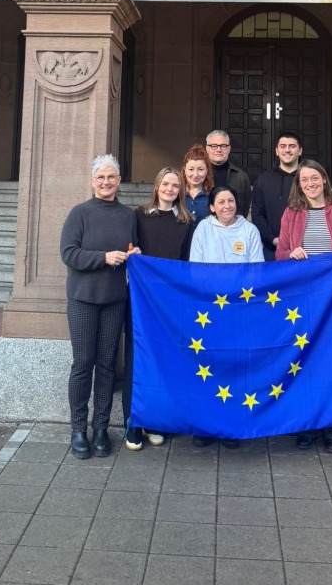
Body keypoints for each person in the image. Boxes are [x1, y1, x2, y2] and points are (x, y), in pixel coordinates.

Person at [276, 160, 332, 454]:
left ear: (324, 180)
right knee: (304, 361)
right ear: (299, 185)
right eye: (304, 180)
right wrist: (291, 253)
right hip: (302, 300)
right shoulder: (291, 213)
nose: (310, 183)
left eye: (314, 178)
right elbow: (280, 254)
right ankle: (307, 426)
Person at [60, 154, 140, 460]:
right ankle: (78, 429)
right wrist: (103, 258)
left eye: (111, 177)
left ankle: (101, 428)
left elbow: (131, 248)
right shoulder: (79, 213)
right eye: (101, 177)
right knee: (83, 364)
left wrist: (134, 255)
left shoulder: (128, 216)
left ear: (119, 180)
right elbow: (69, 253)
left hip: (114, 299)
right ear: (92, 181)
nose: (106, 182)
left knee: (107, 366)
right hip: (83, 299)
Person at [124, 167, 194, 451]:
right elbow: (131, 249)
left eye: (175, 185)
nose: (170, 189)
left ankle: (156, 421)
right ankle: (134, 422)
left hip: (171, 302)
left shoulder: (186, 222)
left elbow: (187, 264)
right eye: (165, 184)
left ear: (181, 190)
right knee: (137, 356)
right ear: (157, 186)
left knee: (164, 359)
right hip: (141, 299)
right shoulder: (139, 215)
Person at [189, 186, 264, 448]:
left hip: (240, 310)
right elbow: (196, 269)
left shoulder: (249, 231)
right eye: (221, 202)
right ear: (211, 207)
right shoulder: (203, 229)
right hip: (210, 311)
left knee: (235, 367)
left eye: (231, 200)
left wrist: (236, 295)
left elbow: (256, 271)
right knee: (208, 367)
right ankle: (206, 426)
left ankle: (232, 426)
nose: (227, 206)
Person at [251, 131, 303, 261]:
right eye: (283, 146)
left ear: (300, 151)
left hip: (304, 250)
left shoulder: (308, 179)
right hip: (271, 249)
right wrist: (273, 239)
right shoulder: (263, 180)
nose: (287, 150)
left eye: (292, 146)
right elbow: (257, 215)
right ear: (277, 151)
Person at [205, 130, 252, 218]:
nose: (218, 150)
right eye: (214, 146)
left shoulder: (241, 177)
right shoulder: (199, 175)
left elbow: (244, 209)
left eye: (223, 146)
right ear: (207, 148)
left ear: (229, 149)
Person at [181, 144, 213, 223]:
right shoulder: (177, 193)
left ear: (207, 170)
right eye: (191, 169)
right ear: (184, 170)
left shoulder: (213, 195)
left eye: (200, 169)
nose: (195, 174)